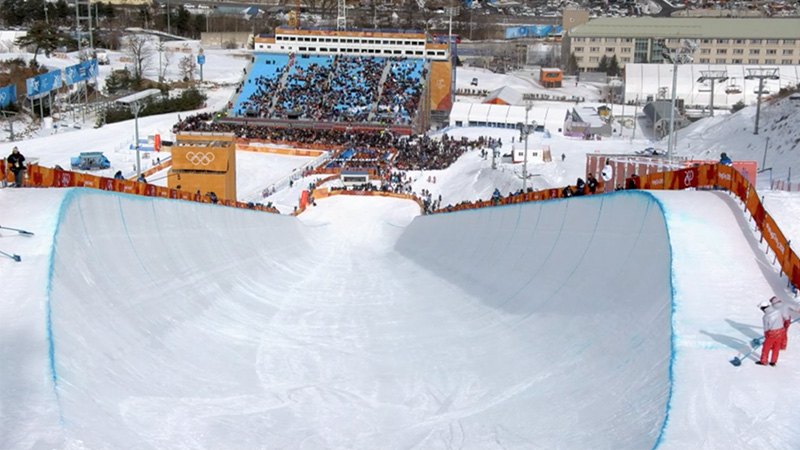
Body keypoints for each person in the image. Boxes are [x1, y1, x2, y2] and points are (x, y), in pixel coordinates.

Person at [757, 300, 788, 366]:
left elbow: (766, 328)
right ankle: (773, 361)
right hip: (781, 331)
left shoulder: (766, 317)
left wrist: (766, 336)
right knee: (776, 347)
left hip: (772, 333)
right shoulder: (777, 311)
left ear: (763, 308)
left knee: (766, 347)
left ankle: (764, 361)